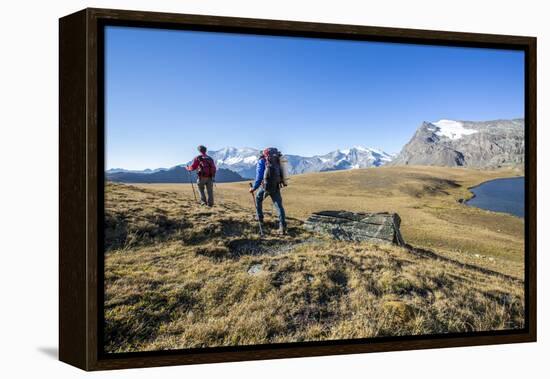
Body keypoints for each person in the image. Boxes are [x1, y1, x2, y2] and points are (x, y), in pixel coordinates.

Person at [249, 148, 287, 235]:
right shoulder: (277, 159)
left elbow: (259, 178)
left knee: (258, 199)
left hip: (265, 186)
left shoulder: (262, 161)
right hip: (276, 186)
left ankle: (260, 218)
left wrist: (253, 188)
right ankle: (282, 227)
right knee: (279, 206)